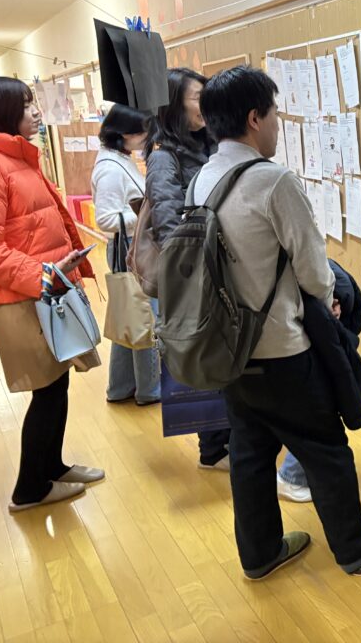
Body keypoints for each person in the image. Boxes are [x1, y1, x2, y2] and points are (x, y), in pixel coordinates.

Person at [192, 65, 361, 580]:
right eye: (274, 114)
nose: (277, 125)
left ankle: (260, 554)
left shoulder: (202, 179)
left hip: (230, 350)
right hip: (283, 349)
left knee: (250, 453)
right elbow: (314, 269)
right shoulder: (272, 180)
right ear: (254, 118)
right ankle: (356, 550)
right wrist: (329, 299)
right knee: (325, 448)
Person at [0, 77, 105, 511]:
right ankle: (29, 489)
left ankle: (51, 468)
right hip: (23, 298)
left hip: (45, 292)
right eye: (25, 105)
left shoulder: (16, 157)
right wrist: (43, 274)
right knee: (48, 390)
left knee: (57, 385)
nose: (36, 112)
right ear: (1, 113)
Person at [146, 68, 231, 471]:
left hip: (219, 266)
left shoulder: (211, 143)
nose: (205, 104)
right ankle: (212, 450)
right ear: (174, 104)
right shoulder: (164, 158)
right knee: (202, 359)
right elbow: (169, 230)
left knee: (220, 357)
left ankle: (225, 440)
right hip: (192, 274)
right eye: (197, 97)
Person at [277, 258, 361, 503]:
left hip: (304, 347)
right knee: (316, 417)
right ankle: (291, 476)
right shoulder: (324, 279)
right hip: (307, 351)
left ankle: (293, 475)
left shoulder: (330, 282)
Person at [91, 104, 160, 406]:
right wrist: (147, 214)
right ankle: (149, 389)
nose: (147, 139)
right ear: (124, 133)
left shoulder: (119, 159)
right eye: (144, 133)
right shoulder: (110, 168)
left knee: (129, 317)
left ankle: (120, 387)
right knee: (145, 318)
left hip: (130, 248)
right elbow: (106, 218)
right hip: (130, 248)